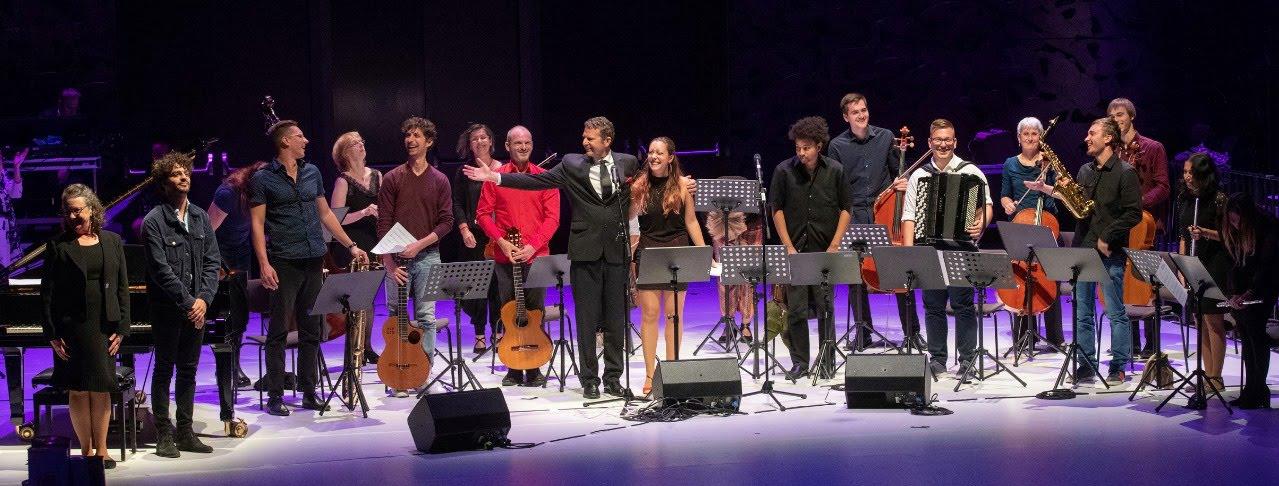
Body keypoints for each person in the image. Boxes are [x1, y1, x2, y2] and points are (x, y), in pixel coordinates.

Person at [463, 116, 639, 399]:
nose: (584, 142)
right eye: (583, 136)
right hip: (583, 250)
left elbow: (647, 182)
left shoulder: (627, 162)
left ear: (607, 141)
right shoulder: (571, 164)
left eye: (590, 138)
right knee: (585, 318)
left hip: (615, 250)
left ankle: (614, 378)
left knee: (616, 319)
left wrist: (680, 183)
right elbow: (534, 181)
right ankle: (589, 379)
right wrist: (495, 177)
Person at [249, 120, 369, 416]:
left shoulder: (312, 172)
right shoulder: (263, 178)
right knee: (279, 329)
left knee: (311, 328)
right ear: (285, 142)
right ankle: (275, 394)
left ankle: (308, 391)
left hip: (314, 258)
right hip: (284, 261)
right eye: (300, 136)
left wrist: (351, 245)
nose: (306, 140)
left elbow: (326, 214)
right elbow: (257, 224)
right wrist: (264, 263)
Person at [1028, 117, 1141, 384]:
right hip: (1083, 249)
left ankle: (1118, 365)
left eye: (1092, 134)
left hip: (1111, 251)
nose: (1086, 138)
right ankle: (1086, 364)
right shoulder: (1084, 171)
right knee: (1083, 313)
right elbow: (1080, 208)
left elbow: (1133, 213)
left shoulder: (1126, 172)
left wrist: (1107, 236)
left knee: (1115, 312)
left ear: (1108, 138)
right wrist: (1059, 191)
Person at [40, 184, 130, 469]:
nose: (73, 216)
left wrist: (122, 328)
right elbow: (47, 294)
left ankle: (102, 450)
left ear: (92, 209)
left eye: (78, 210)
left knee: (101, 388)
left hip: (104, 325)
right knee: (78, 390)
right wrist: (52, 334)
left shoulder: (112, 241)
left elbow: (122, 287)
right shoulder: (58, 245)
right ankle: (86, 451)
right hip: (71, 329)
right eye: (68, 211)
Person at [900, 119, 994, 379]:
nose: (943, 144)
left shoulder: (971, 172)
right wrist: (909, 254)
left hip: (961, 249)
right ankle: (938, 359)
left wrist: (981, 224)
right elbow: (909, 216)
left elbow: (986, 205)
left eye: (948, 140)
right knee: (933, 306)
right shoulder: (919, 176)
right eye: (938, 140)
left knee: (963, 306)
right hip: (929, 249)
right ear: (930, 143)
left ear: (955, 142)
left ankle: (967, 360)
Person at [825, 93, 919, 350]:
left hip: (883, 210)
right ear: (846, 117)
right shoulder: (836, 146)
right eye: (855, 112)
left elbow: (898, 172)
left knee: (897, 268)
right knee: (856, 274)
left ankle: (912, 332)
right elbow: (836, 186)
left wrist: (902, 182)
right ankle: (863, 332)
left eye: (864, 110)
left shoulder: (886, 137)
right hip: (854, 213)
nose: (861, 115)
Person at [142, 152, 220, 457]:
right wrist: (190, 302)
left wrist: (203, 300)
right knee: (164, 370)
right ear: (164, 183)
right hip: (168, 310)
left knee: (188, 371)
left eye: (185, 172)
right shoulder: (154, 221)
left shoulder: (201, 217)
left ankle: (186, 433)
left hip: (196, 309)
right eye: (176, 174)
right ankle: (164, 434)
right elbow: (160, 270)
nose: (183, 176)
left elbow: (212, 262)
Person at [474, 125, 559, 387]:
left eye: (527, 143)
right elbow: (482, 215)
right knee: (508, 310)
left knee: (535, 311)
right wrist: (501, 243)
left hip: (537, 256)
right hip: (505, 257)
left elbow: (552, 218)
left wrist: (532, 247)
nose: (523, 147)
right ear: (507, 146)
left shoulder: (545, 178)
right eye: (517, 143)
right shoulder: (496, 177)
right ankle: (513, 366)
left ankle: (533, 366)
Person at [770, 116, 851, 380]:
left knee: (826, 307)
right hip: (795, 249)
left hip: (824, 250)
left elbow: (846, 209)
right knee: (796, 310)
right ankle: (800, 362)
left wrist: (835, 244)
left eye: (806, 148)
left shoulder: (836, 170)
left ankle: (827, 360)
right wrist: (788, 246)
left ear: (819, 146)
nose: (801, 153)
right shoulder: (784, 171)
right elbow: (776, 209)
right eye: (798, 148)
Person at [377, 117, 453, 397]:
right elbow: (383, 223)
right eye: (407, 135)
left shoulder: (440, 180)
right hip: (396, 260)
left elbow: (447, 222)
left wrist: (419, 245)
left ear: (429, 141)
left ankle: (422, 373)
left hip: (428, 256)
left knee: (426, 317)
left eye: (416, 135)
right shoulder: (393, 178)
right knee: (396, 317)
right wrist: (388, 263)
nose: (410, 140)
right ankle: (397, 374)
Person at [629, 137, 706, 395]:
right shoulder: (639, 185)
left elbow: (691, 221)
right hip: (648, 251)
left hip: (677, 251)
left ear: (670, 157)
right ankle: (650, 374)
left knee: (674, 315)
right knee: (649, 314)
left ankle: (672, 372)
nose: (653, 157)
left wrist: (704, 252)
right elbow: (630, 219)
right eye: (651, 152)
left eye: (659, 153)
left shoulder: (683, 185)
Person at [1109, 97, 1170, 355]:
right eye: (1112, 117)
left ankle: (1152, 344)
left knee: (1147, 283)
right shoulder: (1112, 150)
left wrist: (1137, 204)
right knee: (1123, 283)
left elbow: (1163, 186)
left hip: (1146, 225)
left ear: (1131, 116)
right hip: (1120, 225)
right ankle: (1129, 342)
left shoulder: (1153, 148)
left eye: (1120, 115)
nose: (1116, 120)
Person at [207, 161, 263, 433]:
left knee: (240, 318)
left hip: (240, 259)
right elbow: (207, 232)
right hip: (221, 260)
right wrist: (214, 265)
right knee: (226, 320)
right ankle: (228, 369)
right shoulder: (228, 193)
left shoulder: (257, 196)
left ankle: (235, 364)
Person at [999, 117, 1065, 349]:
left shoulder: (1050, 162)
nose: (1029, 138)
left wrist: (1045, 187)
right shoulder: (1010, 163)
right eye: (1025, 134)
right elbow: (1005, 194)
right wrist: (1008, 204)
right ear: (1019, 138)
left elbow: (1061, 194)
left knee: (1050, 280)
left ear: (1041, 137)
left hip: (1047, 225)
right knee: (1020, 278)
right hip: (1020, 226)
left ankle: (1055, 337)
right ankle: (1024, 336)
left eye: (1034, 134)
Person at [1175, 153, 1231, 400]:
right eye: (1185, 172)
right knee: (1199, 321)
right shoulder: (1184, 198)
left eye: (1191, 172)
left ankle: (1216, 377)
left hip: (1215, 264)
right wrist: (1181, 266)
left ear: (1203, 174)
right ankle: (1207, 375)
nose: (1187, 177)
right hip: (1193, 263)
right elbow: (1182, 236)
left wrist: (1206, 233)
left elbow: (1230, 236)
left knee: (1213, 321)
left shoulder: (1219, 199)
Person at [1221, 193, 1278, 409]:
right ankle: (1250, 389)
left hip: (1264, 287)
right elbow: (1234, 265)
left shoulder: (1267, 227)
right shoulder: (1235, 230)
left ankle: (1259, 389)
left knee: (1256, 333)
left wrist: (1250, 292)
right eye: (1231, 221)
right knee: (1245, 334)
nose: (1234, 225)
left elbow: (1266, 266)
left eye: (1237, 221)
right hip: (1245, 288)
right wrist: (1234, 293)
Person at [329, 131, 381, 364]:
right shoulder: (343, 181)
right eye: (354, 143)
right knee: (356, 299)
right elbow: (335, 219)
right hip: (352, 244)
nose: (361, 145)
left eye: (361, 141)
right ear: (344, 153)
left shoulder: (377, 175)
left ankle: (366, 347)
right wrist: (363, 212)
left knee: (369, 297)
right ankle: (355, 348)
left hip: (374, 242)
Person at [453, 123, 502, 354]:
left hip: (498, 236)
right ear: (470, 145)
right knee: (476, 287)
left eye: (483, 137)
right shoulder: (464, 171)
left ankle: (499, 332)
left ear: (491, 141)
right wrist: (464, 230)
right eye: (475, 139)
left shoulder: (502, 169)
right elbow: (458, 204)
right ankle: (480, 334)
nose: (480, 141)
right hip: (474, 236)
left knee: (498, 287)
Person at [0, 148, 26, 268]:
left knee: (6, 265)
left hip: (5, 226)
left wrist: (16, 167)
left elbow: (16, 193)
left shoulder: (3, 176)